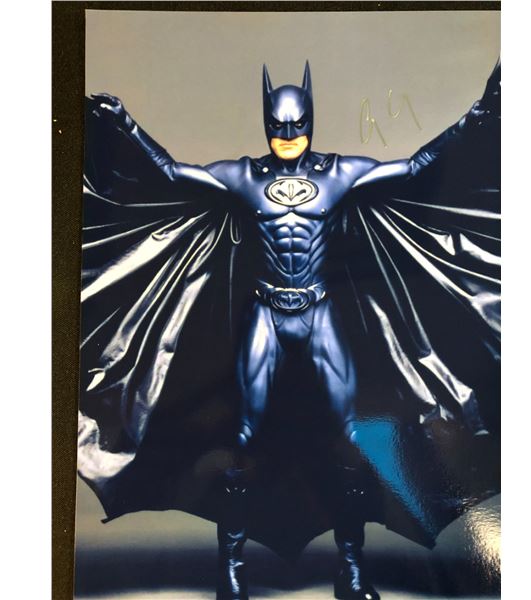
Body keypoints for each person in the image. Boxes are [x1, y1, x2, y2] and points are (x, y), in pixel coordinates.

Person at [79, 61, 500, 600]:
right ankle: (231, 572)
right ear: (264, 123)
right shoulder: (243, 176)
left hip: (320, 314)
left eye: (295, 126)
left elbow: (417, 168)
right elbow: (170, 175)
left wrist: (477, 116)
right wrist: (125, 125)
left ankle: (351, 570)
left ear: (311, 120)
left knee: (351, 440)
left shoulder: (338, 174)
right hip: (266, 316)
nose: (286, 137)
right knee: (242, 441)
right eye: (277, 127)